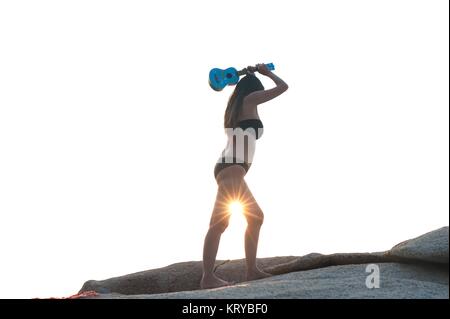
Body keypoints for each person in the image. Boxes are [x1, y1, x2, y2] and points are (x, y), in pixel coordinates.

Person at [200, 63, 289, 289]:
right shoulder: (249, 101)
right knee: (251, 218)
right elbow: (283, 87)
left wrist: (250, 75)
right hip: (233, 167)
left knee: (219, 223)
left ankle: (216, 275)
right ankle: (236, 273)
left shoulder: (238, 106)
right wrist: (267, 73)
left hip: (228, 167)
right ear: (253, 90)